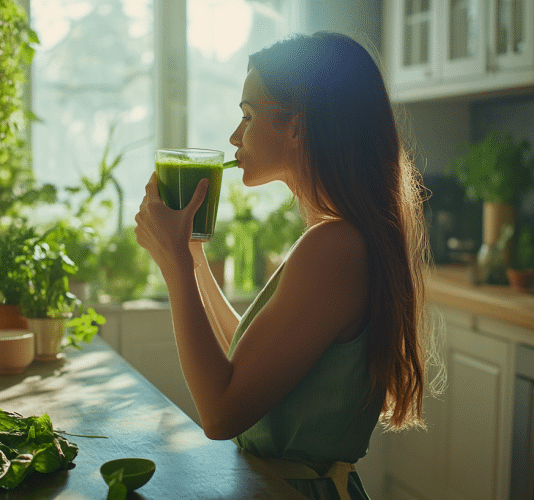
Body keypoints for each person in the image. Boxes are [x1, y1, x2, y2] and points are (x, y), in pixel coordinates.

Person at [135, 31, 441, 500]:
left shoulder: (335, 246)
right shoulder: (340, 238)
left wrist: (174, 263)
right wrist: (193, 259)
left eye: (248, 116)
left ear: (296, 125)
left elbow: (220, 413)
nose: (235, 136)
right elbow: (249, 365)